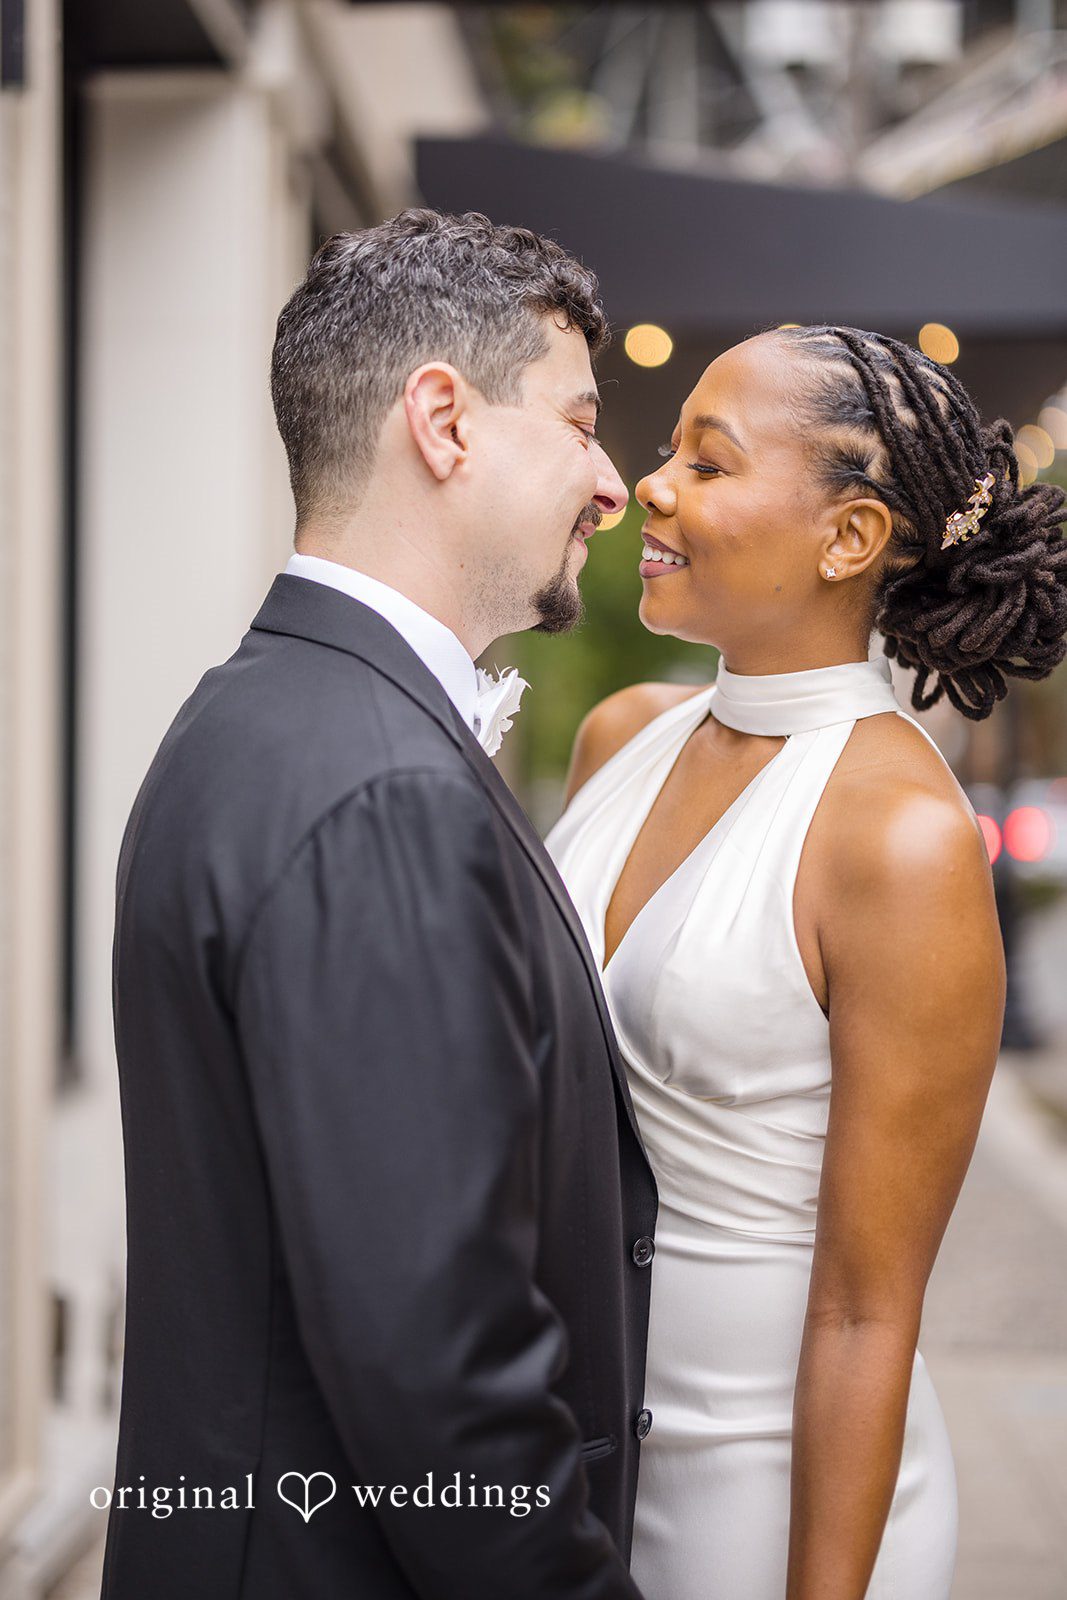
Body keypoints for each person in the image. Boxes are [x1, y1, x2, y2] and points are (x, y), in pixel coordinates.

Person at [102, 211, 658, 1600]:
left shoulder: (255, 712)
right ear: (443, 423)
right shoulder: (380, 786)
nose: (611, 485)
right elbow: (438, 1359)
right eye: (580, 423)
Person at [546, 324, 1067, 1600]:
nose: (650, 484)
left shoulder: (897, 837)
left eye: (707, 463)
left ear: (846, 540)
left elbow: (863, 1308)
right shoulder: (622, 736)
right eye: (667, 447)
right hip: (561, 1455)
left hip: (766, 1494)